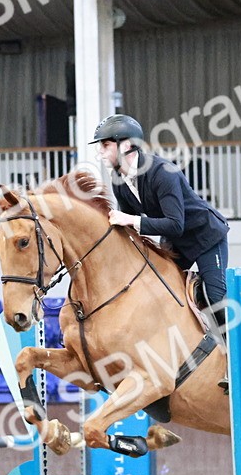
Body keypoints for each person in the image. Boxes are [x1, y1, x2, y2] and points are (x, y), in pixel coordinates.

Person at [91, 114, 231, 343]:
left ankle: (232, 360)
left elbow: (175, 224)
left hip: (205, 237)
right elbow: (127, 228)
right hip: (175, 242)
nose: (101, 152)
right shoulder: (119, 180)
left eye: (105, 145)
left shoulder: (163, 172)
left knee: (214, 297)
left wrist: (130, 220)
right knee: (155, 288)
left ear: (126, 145)